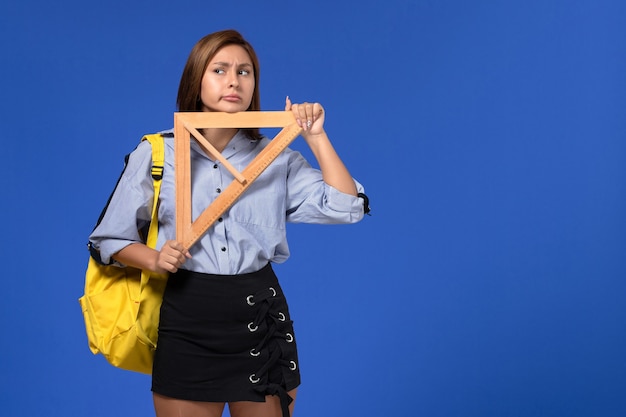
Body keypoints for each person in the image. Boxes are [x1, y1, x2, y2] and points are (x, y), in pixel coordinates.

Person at [88, 29, 368, 417]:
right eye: (219, 70)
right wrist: (154, 260)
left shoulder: (277, 157)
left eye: (245, 71)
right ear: (196, 80)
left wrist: (316, 137)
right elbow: (107, 240)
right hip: (188, 315)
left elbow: (346, 207)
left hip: (259, 314)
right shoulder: (156, 153)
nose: (234, 80)